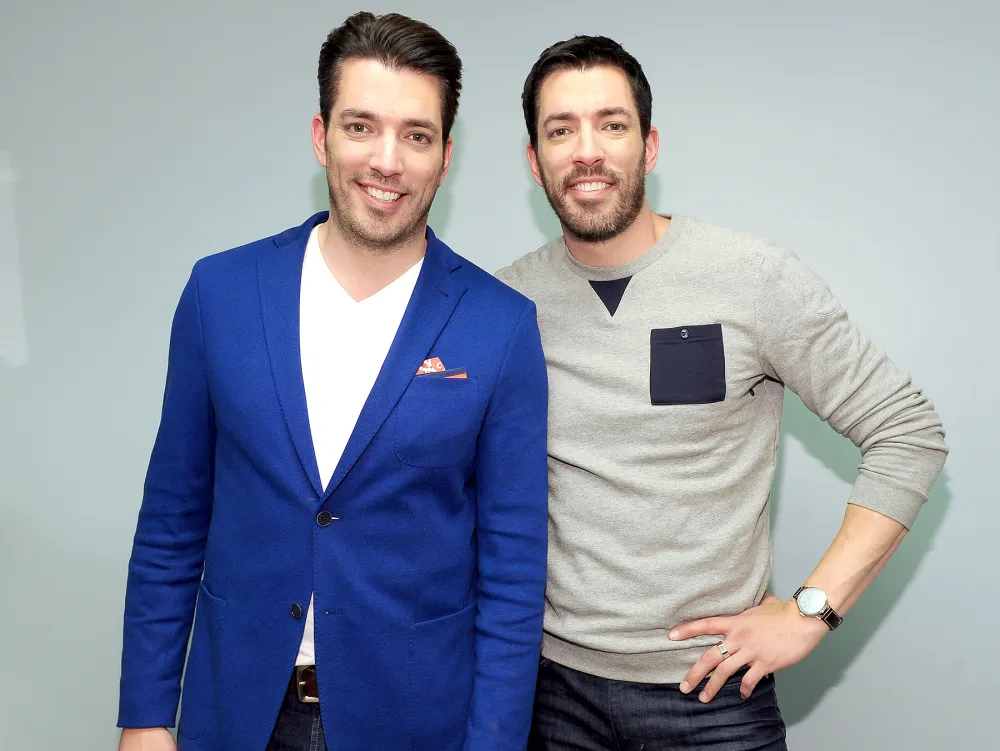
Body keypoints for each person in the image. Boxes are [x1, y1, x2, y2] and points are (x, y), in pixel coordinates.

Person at [496, 34, 948, 750]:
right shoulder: (507, 304)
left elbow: (908, 432)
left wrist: (809, 613)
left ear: (648, 146)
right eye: (561, 129)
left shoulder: (751, 277)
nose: (587, 150)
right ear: (534, 160)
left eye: (611, 124)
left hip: (710, 697)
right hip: (552, 696)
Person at [117, 12, 549, 751]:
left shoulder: (500, 326)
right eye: (361, 126)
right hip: (238, 713)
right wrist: (146, 715)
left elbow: (512, 575)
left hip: (415, 721)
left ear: (445, 157)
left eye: (415, 135)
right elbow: (171, 525)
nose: (387, 160)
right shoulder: (220, 293)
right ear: (321, 136)